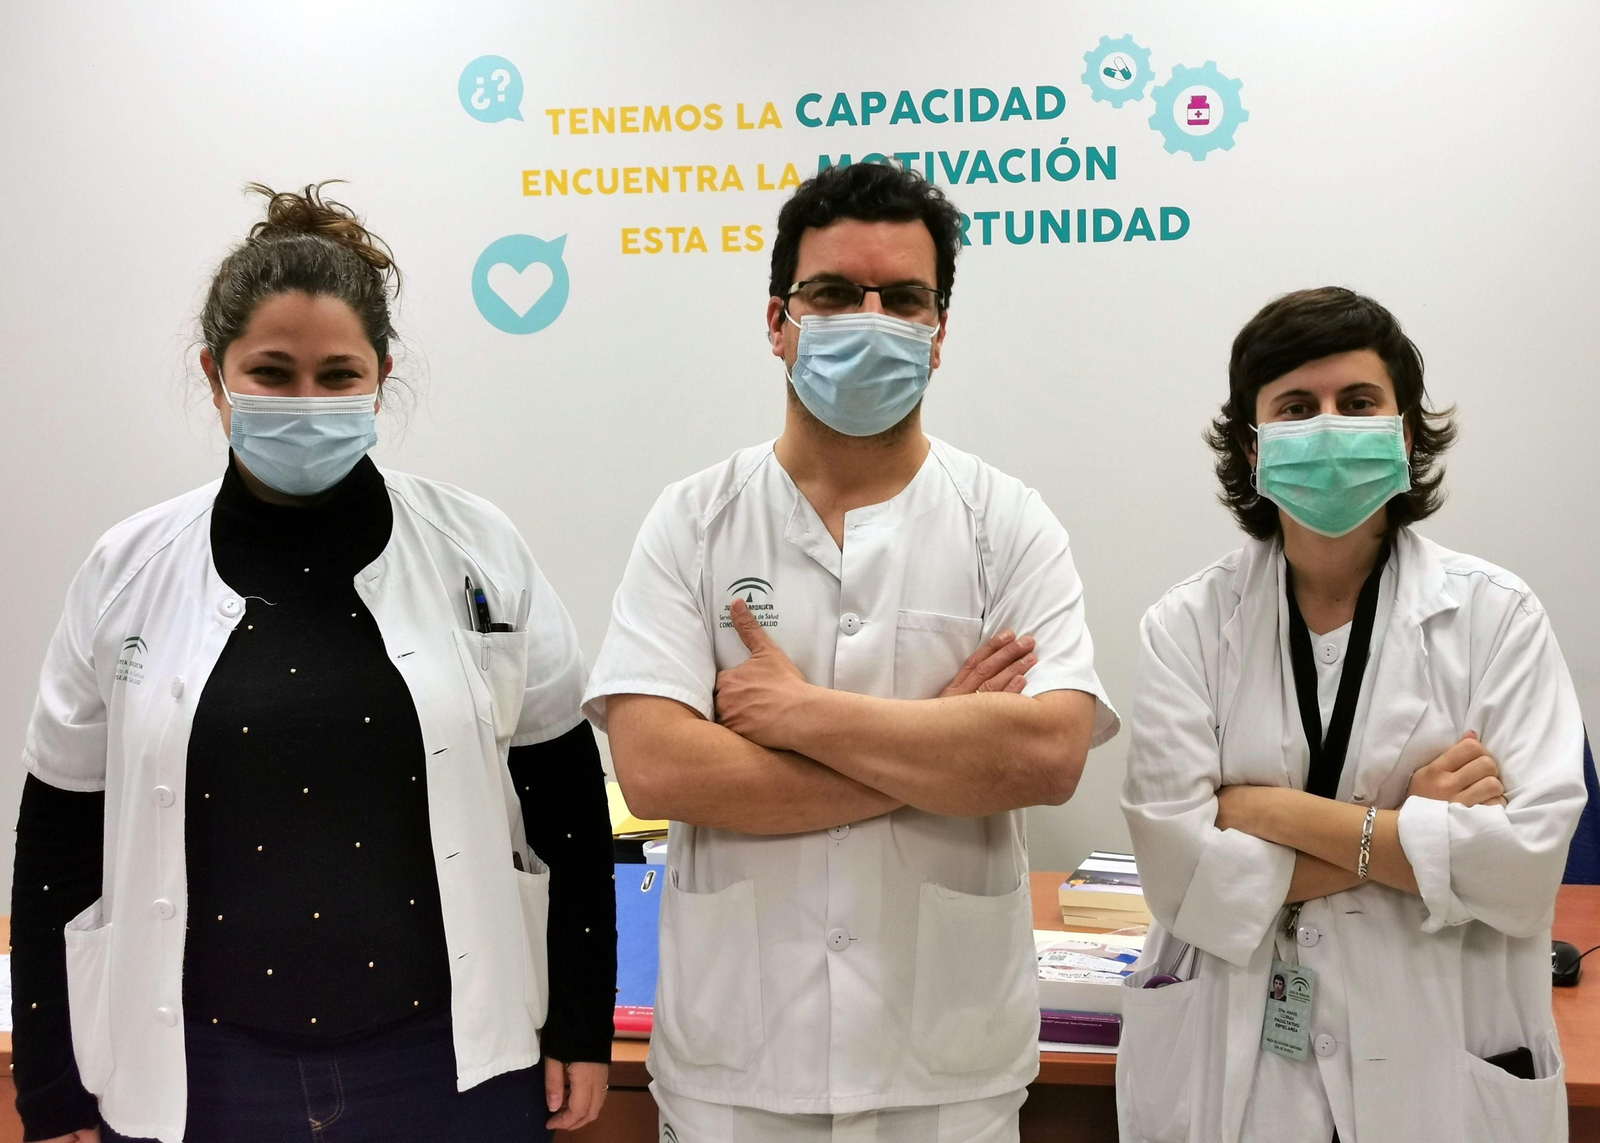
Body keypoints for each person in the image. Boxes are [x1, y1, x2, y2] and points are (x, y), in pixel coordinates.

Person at [11, 184, 615, 1143]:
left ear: (382, 376)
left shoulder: (478, 547)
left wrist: (582, 1020)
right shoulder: (126, 570)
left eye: (338, 376)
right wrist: (48, 1082)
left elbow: (568, 808)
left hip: (448, 1067)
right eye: (271, 372)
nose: (306, 403)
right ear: (215, 376)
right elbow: (57, 838)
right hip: (198, 1074)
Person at [583, 161, 1119, 1143]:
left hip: (944, 1072)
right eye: (833, 294)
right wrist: (943, 742)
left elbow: (1047, 757)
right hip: (736, 1070)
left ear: (939, 331)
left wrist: (804, 717)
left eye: (904, 299)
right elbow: (656, 768)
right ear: (778, 321)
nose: (870, 321)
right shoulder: (694, 521)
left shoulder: (1007, 523)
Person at [1117, 287, 1586, 1143]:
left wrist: (1265, 812)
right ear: (1253, 445)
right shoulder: (1186, 627)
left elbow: (1521, 871)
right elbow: (1184, 884)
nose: (1330, 425)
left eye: (1359, 402)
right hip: (1241, 1069)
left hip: (1439, 1065)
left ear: (1404, 433)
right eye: (1297, 407)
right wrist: (1414, 832)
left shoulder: (1498, 617)